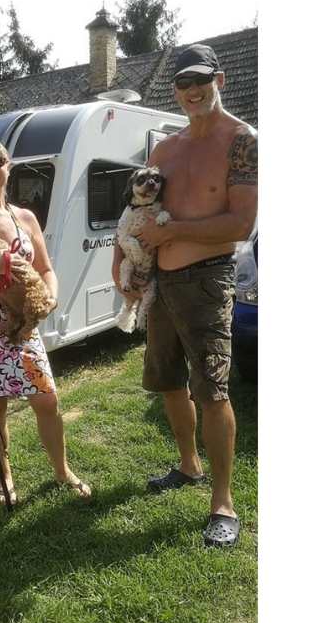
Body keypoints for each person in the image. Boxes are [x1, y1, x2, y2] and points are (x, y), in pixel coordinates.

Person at [112, 44, 257, 548]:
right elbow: (138, 212)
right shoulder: (164, 151)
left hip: (207, 278)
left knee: (211, 389)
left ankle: (223, 502)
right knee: (169, 380)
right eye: (182, 84)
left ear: (220, 78)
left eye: (201, 80)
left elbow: (240, 224)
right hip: (159, 282)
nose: (192, 91)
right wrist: (121, 265)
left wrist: (172, 237)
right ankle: (188, 465)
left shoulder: (242, 140)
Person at [0, 137, 92, 506]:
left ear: (9, 167)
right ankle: (4, 476)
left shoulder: (25, 218)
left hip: (23, 324)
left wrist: (50, 296)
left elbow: (46, 268)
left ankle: (61, 470)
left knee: (47, 399)